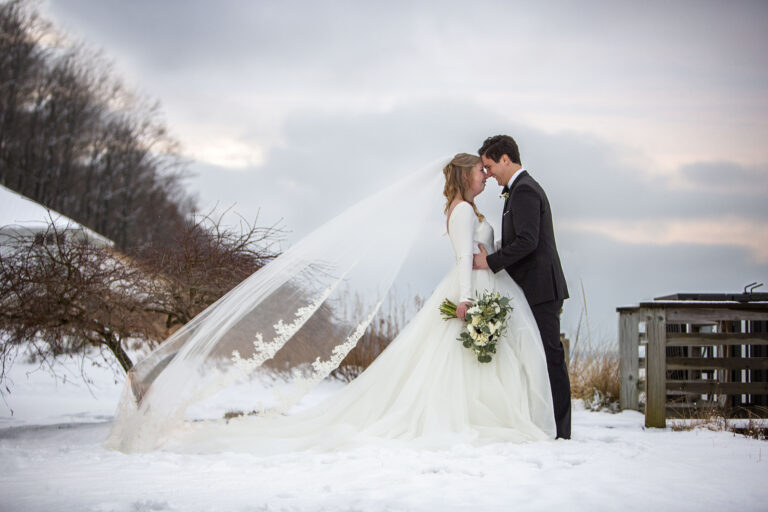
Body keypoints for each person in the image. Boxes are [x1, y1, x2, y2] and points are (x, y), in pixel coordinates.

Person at [163, 153, 556, 453]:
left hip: (488, 284)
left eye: (487, 171)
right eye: (480, 172)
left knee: (475, 361)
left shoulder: (470, 210)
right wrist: (466, 300)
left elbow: (482, 250)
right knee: (457, 360)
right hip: (470, 288)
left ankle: (487, 411)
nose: (485, 177)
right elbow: (460, 259)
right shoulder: (461, 213)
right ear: (465, 175)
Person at [473, 135, 571, 440]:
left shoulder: (525, 190)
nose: (487, 173)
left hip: (542, 288)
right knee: (540, 356)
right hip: (535, 287)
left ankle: (561, 430)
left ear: (506, 159)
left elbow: (528, 241)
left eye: (489, 166)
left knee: (551, 357)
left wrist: (491, 262)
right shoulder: (516, 191)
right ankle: (549, 423)